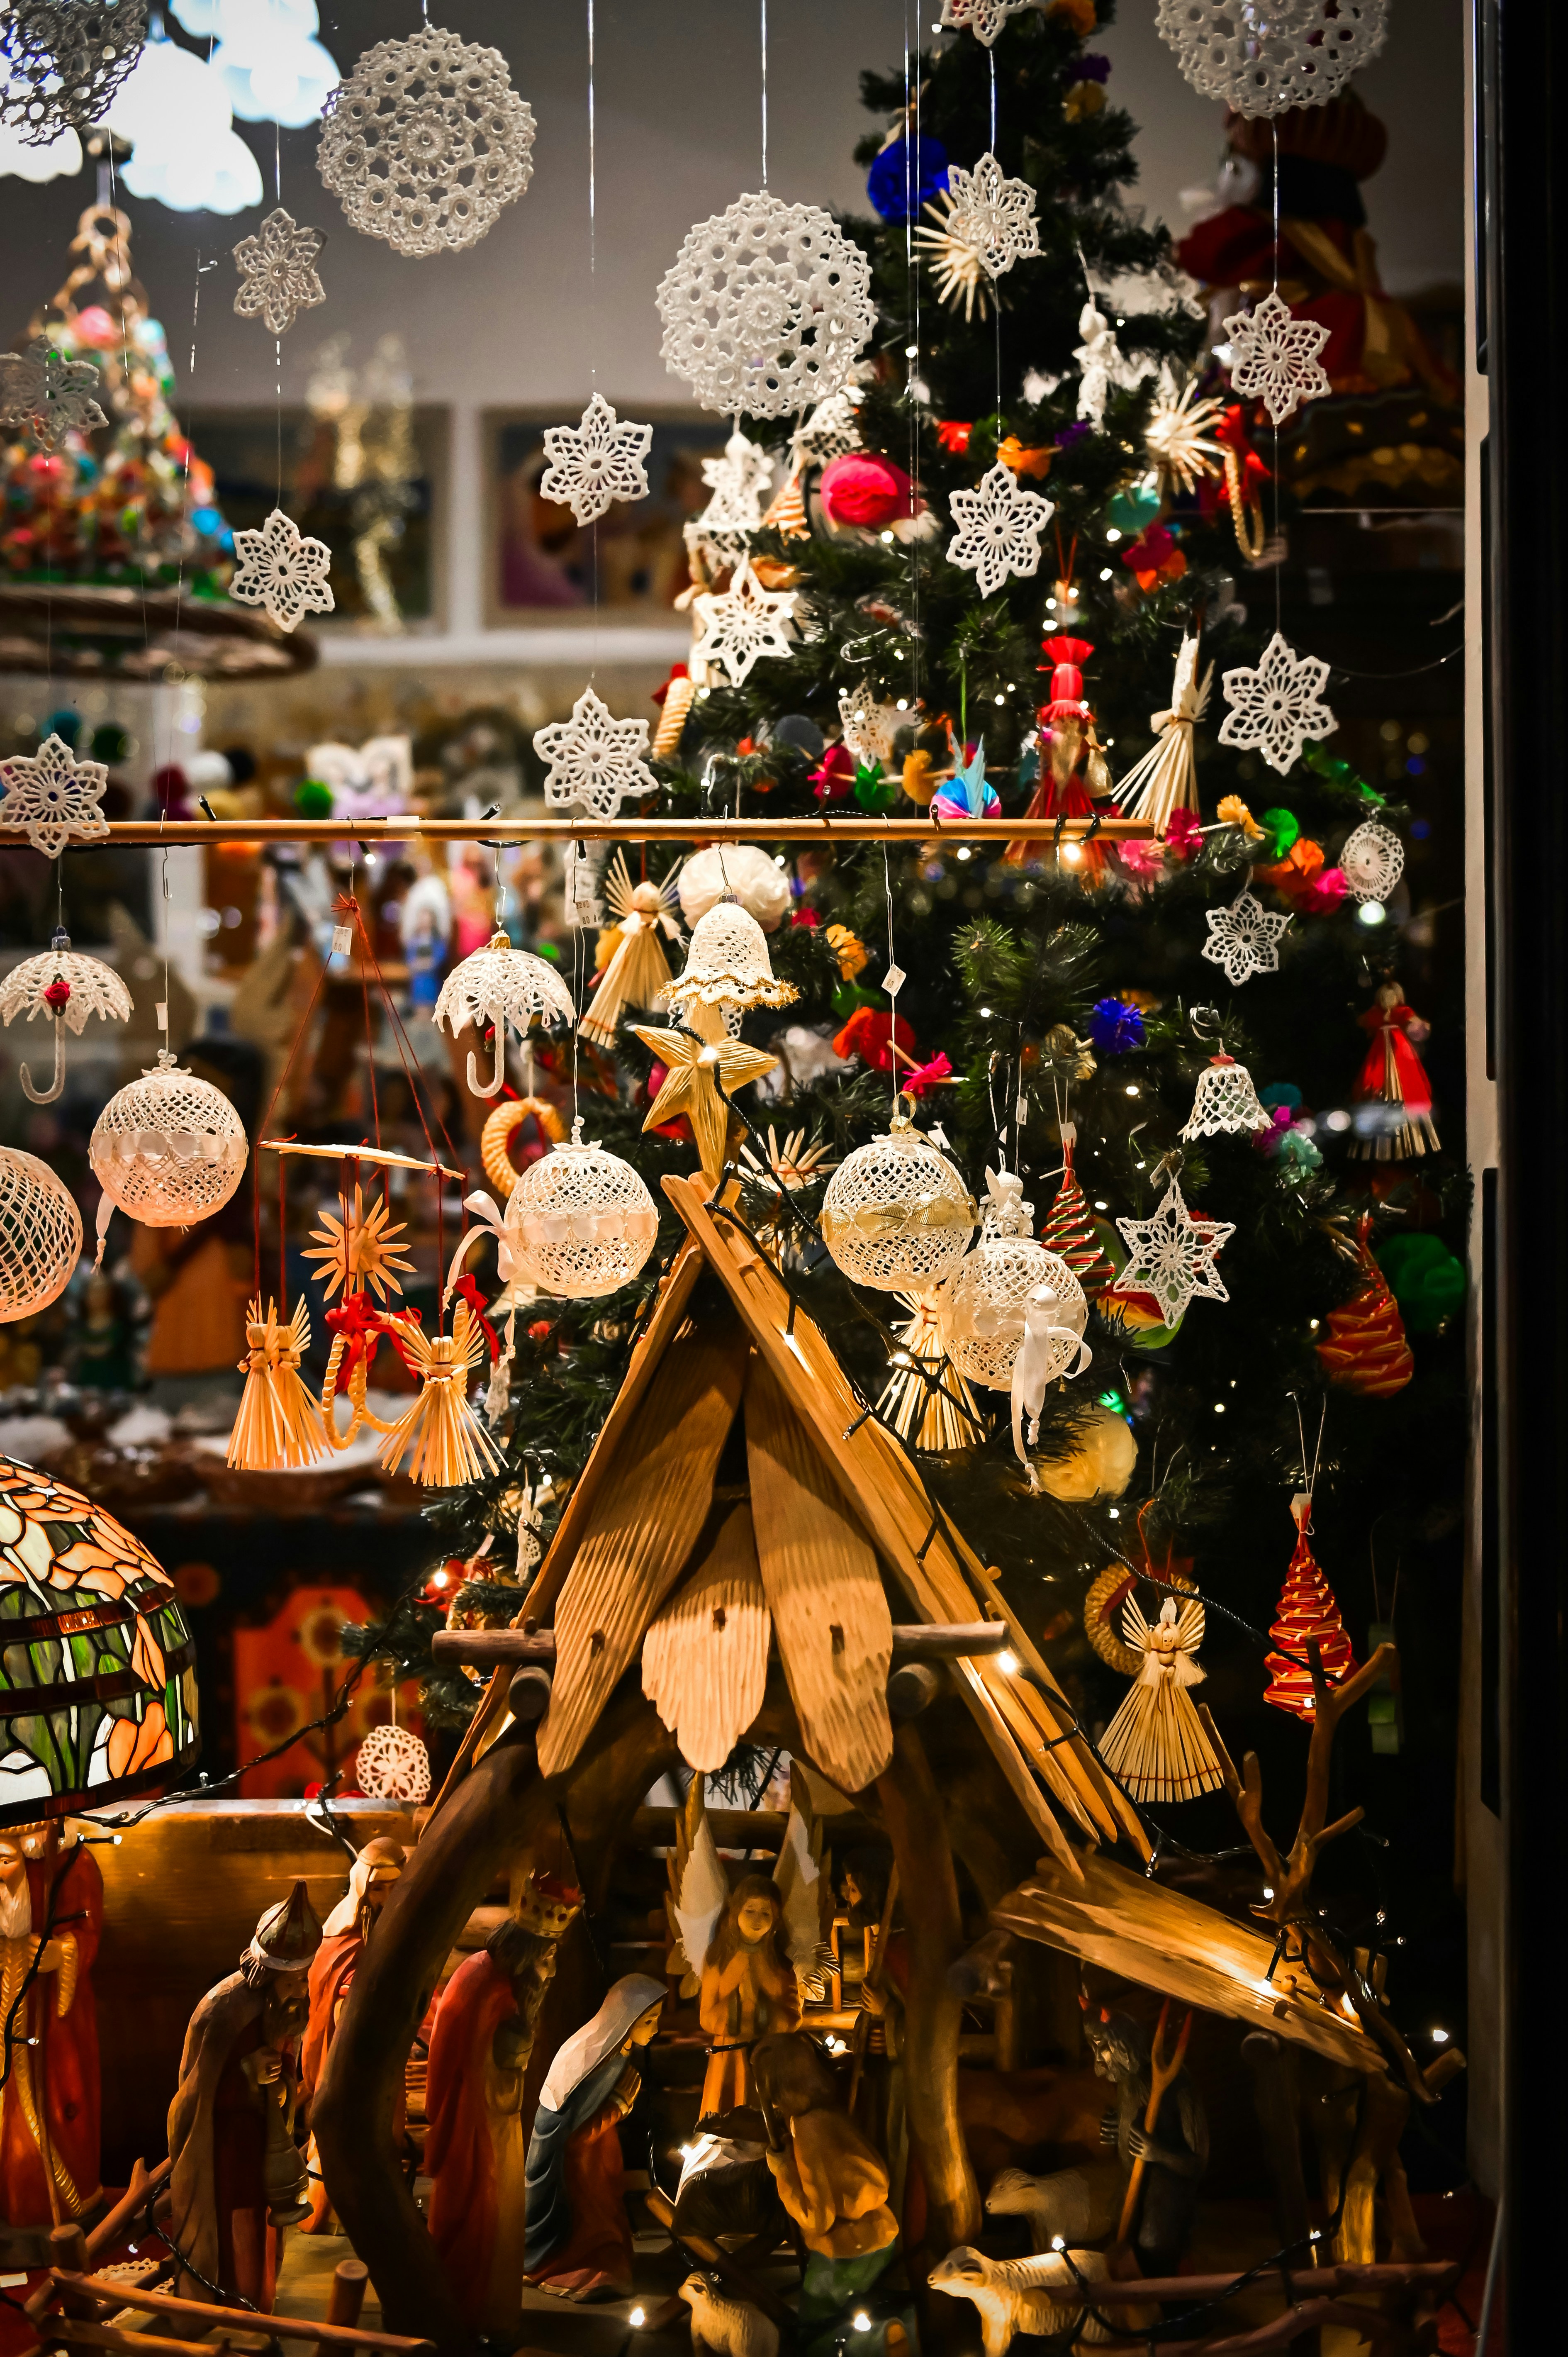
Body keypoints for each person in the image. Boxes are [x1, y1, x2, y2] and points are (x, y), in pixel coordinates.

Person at [166, 1882, 321, 2308]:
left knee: (265, 2225)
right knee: (237, 2221)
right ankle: (236, 2302)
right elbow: (196, 2096)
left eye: (304, 1977)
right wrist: (247, 2075)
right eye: (291, 1979)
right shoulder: (224, 2010)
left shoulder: (284, 2009)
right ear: (269, 1973)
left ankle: (261, 2297)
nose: (300, 1988)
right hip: (226, 2147)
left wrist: (285, 2080)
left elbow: (288, 2062)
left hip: (264, 2141)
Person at [129, 1035, 262, 1412]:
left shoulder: (242, 1146)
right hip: (178, 1272)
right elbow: (145, 1201)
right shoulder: (161, 1145)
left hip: (222, 1276)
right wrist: (151, 1262)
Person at [522, 1974, 665, 2302]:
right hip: (576, 2169)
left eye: (656, 2018)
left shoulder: (618, 2049)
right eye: (649, 2020)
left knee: (608, 2220)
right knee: (595, 2229)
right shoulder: (596, 2060)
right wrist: (618, 2106)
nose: (655, 2028)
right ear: (625, 2019)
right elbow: (574, 2139)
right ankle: (578, 2267)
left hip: (596, 2157)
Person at [750, 2032, 900, 2339]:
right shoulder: (831, 2113)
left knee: (820, 2326)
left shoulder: (808, 2130)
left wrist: (783, 2171)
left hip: (848, 2248)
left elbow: (818, 2219)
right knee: (862, 2314)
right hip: (883, 2230)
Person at [299, 1838, 407, 2233]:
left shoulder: (392, 1929)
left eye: (397, 1887)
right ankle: (325, 2215)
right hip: (343, 2052)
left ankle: (367, 2215)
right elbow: (325, 1994)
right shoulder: (341, 1938)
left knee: (379, 2132)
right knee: (338, 2131)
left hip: (381, 2054)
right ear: (363, 1887)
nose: (388, 1897)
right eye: (380, 1888)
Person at [0, 1824, 103, 2232]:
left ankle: (57, 2206)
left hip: (54, 2022)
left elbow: (90, 1931)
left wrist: (63, 1952)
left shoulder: (74, 1865)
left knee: (55, 2110)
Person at [698, 1874, 800, 2122]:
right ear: (736, 1913)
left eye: (765, 1913)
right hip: (728, 2057)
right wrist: (736, 2005)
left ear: (776, 1919)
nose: (757, 1920)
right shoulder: (718, 1961)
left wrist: (763, 2007)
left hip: (768, 2056)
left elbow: (793, 2017)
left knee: (768, 2123)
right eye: (750, 1910)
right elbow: (706, 2018)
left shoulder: (780, 1966)